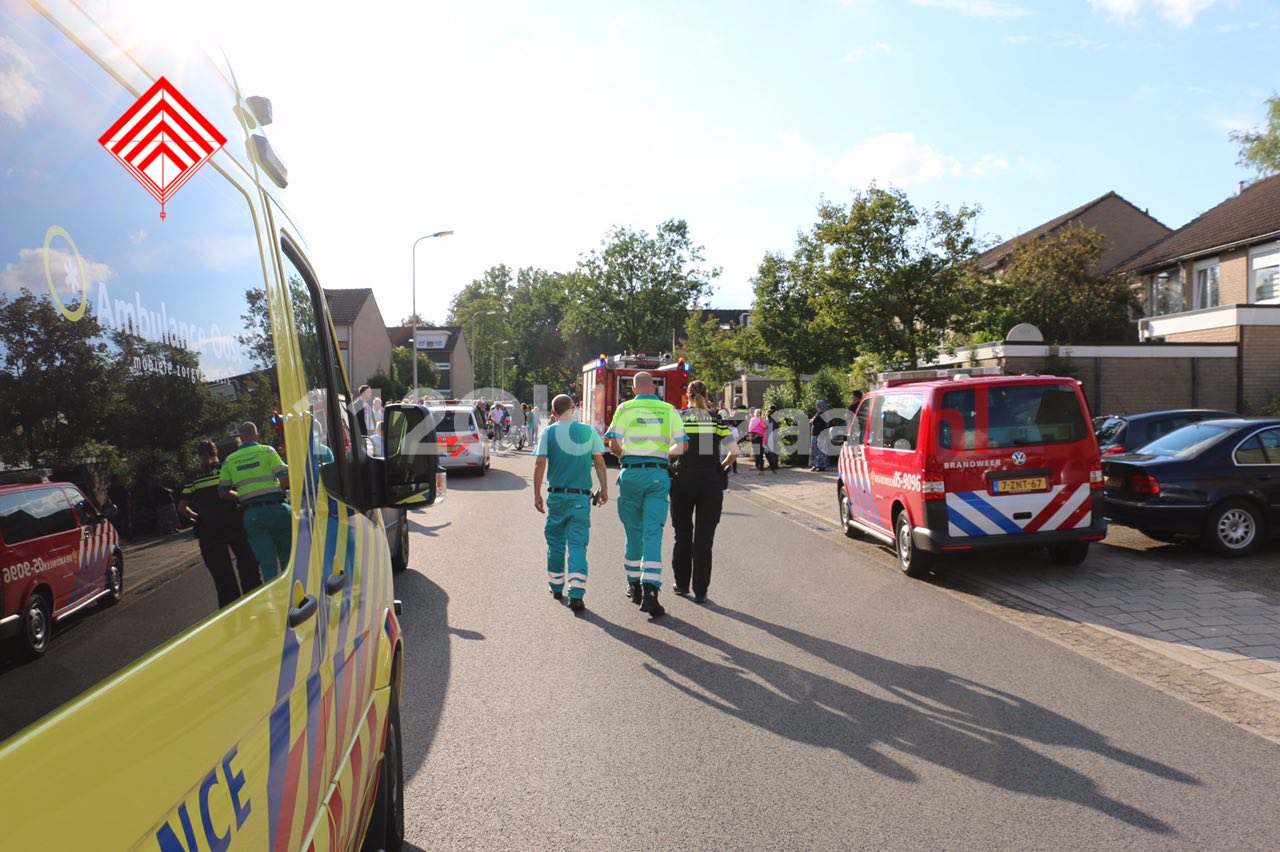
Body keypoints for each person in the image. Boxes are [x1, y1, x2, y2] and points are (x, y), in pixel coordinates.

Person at [606, 371, 685, 616]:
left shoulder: (624, 408)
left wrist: (626, 456)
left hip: (631, 473)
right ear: (655, 387)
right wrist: (664, 454)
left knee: (633, 531)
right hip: (657, 475)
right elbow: (683, 446)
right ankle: (650, 590)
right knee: (653, 532)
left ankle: (633, 585)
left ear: (634, 388)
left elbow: (613, 443)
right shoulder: (669, 410)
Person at [532, 394, 609, 612]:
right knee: (577, 545)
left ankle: (556, 586)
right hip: (580, 498)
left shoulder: (549, 431)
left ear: (554, 413)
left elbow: (539, 463)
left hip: (557, 496)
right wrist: (604, 489)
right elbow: (600, 463)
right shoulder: (588, 431)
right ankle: (577, 593)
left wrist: (537, 494)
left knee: (556, 542)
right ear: (574, 408)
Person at [670, 381, 738, 603]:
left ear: (687, 396)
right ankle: (701, 590)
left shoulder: (680, 418)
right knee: (704, 539)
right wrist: (722, 468)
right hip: (710, 482)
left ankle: (681, 585)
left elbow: (673, 448)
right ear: (707, 395)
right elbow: (734, 451)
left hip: (683, 481)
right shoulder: (716, 419)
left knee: (682, 534)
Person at [179, 441, 262, 608]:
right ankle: (255, 606)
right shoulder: (225, 468)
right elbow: (231, 491)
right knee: (248, 568)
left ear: (198, 455)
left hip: (208, 531)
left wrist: (198, 517)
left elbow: (182, 507)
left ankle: (231, 616)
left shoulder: (193, 477)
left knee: (223, 580)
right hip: (234, 524)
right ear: (215, 451)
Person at [219, 421, 292, 582]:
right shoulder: (267, 451)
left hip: (252, 514)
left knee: (267, 564)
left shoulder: (230, 460)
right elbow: (284, 478)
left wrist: (242, 496)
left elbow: (223, 492)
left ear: (241, 438)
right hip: (278, 509)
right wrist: (279, 489)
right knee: (288, 559)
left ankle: (273, 600)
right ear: (257, 435)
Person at [106, 474, 133, 541]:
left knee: (122, 522)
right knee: (122, 522)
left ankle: (125, 536)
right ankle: (126, 537)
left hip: (119, 506)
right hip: (121, 506)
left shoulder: (112, 489)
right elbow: (126, 495)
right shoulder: (119, 488)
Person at [809, 400, 831, 472]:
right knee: (815, 451)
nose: (816, 406)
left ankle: (821, 465)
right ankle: (815, 465)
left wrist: (812, 421)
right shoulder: (818, 414)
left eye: (817, 405)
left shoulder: (823, 414)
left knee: (820, 451)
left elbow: (815, 422)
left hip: (820, 435)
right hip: (816, 434)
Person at [748, 409, 769, 474]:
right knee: (760, 454)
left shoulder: (752, 420)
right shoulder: (760, 420)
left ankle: (758, 467)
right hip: (759, 437)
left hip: (753, 437)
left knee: (757, 453)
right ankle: (761, 469)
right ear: (760, 414)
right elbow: (765, 427)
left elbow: (750, 428)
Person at [765, 405, 781, 472]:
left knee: (771, 451)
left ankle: (773, 465)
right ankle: (775, 464)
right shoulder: (776, 418)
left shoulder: (772, 418)